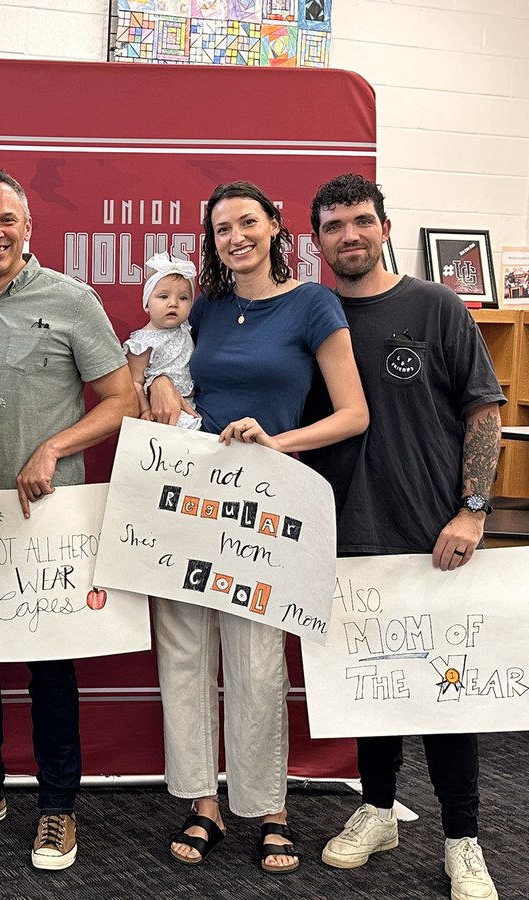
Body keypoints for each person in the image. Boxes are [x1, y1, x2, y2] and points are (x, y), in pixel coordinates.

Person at [148, 180, 368, 874]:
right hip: (190, 501)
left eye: (247, 222)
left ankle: (269, 807)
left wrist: (279, 441)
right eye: (221, 229)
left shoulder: (312, 303)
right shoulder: (203, 310)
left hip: (267, 505)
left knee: (256, 660)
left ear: (275, 226)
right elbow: (167, 373)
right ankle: (201, 803)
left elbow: (353, 413)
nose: (235, 237)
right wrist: (163, 387)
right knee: (183, 652)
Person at [0, 169, 137, 871]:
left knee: (51, 667)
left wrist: (54, 445)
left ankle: (57, 809)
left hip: (47, 515)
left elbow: (120, 399)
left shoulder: (72, 300)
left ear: (28, 228)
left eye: (5, 221)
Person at [305, 173, 503, 900]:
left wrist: (473, 509)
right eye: (333, 226)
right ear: (316, 239)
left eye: (361, 220)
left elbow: (483, 411)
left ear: (386, 226)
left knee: (448, 695)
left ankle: (464, 839)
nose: (349, 235)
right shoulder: (311, 314)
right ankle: (377, 809)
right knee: (372, 690)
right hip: (343, 535)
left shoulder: (435, 305)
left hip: (432, 537)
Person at [123, 251, 201, 430]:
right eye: (163, 296)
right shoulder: (141, 342)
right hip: (160, 414)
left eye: (183, 298)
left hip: (191, 407)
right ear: (147, 303)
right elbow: (134, 382)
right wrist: (144, 410)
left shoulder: (187, 330)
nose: (173, 303)